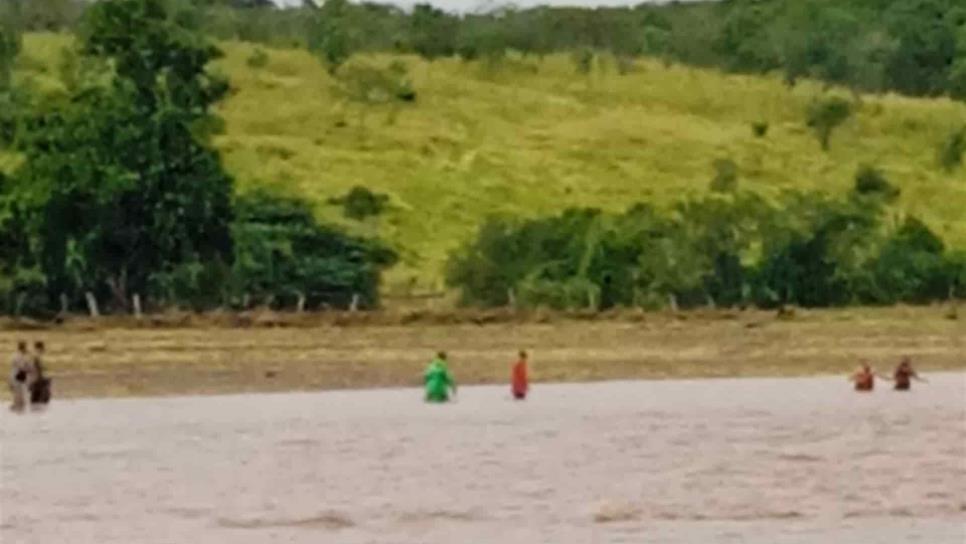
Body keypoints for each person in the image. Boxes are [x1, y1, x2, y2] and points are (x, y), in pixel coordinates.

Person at [8, 341, 30, 412]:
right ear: (23, 348)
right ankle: (17, 410)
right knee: (19, 399)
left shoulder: (15, 355)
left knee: (17, 398)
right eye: (25, 348)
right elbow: (22, 367)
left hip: (15, 377)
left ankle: (15, 410)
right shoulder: (20, 356)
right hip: (17, 378)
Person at [29, 341, 51, 406]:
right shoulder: (37, 355)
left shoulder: (33, 355)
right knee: (40, 398)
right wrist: (42, 377)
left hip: (33, 379)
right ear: (40, 348)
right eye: (42, 348)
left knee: (34, 399)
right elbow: (38, 367)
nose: (43, 350)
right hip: (36, 379)